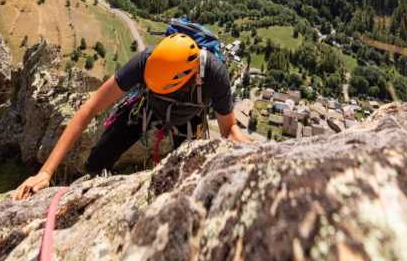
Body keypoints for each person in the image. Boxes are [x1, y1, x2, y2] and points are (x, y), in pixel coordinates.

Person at [14, 33, 251, 200]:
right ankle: (96, 179)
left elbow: (229, 129)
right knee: (95, 161)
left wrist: (260, 156)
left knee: (184, 181)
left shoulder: (214, 74)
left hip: (188, 122)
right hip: (145, 109)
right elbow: (90, 108)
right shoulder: (145, 62)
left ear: (190, 79)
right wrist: (45, 172)